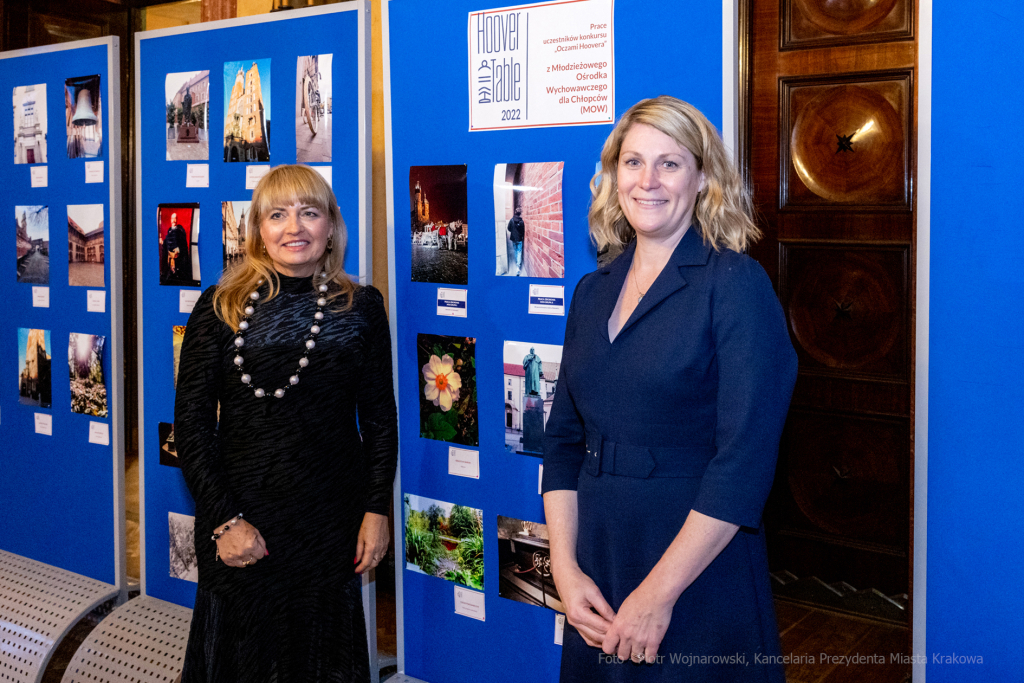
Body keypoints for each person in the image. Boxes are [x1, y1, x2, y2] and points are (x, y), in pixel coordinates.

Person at [542, 96, 797, 682]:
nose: (647, 181)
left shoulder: (735, 286)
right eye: (633, 163)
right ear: (613, 175)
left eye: (670, 163)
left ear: (704, 177)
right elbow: (561, 443)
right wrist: (565, 569)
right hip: (598, 556)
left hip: (694, 566)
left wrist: (659, 593)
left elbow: (744, 462)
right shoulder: (592, 291)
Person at [175, 164, 397, 682]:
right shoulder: (219, 308)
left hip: (329, 526)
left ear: (331, 228)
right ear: (258, 230)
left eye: (308, 212)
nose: (293, 227)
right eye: (277, 214)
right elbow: (190, 428)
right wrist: (225, 521)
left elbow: (380, 421)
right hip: (242, 523)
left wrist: (375, 512)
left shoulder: (361, 307)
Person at [161, 212, 193, 285]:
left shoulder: (180, 230)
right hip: (170, 257)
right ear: (170, 220)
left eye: (175, 218)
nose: (174, 220)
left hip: (178, 258)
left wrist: (178, 250)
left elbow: (183, 244)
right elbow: (166, 243)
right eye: (172, 218)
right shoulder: (169, 230)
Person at [507, 206, 525, 275]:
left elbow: (508, 229)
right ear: (520, 213)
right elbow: (523, 231)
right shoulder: (522, 221)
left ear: (515, 212)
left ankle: (516, 261)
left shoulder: (511, 220)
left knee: (515, 250)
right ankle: (518, 267)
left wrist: (513, 231)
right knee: (519, 252)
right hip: (519, 239)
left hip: (514, 239)